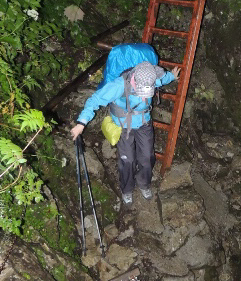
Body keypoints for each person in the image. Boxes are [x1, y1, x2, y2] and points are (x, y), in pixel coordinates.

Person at [71, 61, 180, 205]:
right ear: (135, 81)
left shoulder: (153, 78)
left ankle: (144, 183)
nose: (143, 98)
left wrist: (172, 76)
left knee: (147, 156)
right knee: (127, 159)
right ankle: (127, 189)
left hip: (143, 123)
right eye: (141, 93)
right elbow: (95, 100)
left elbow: (163, 79)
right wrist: (81, 123)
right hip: (123, 125)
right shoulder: (119, 85)